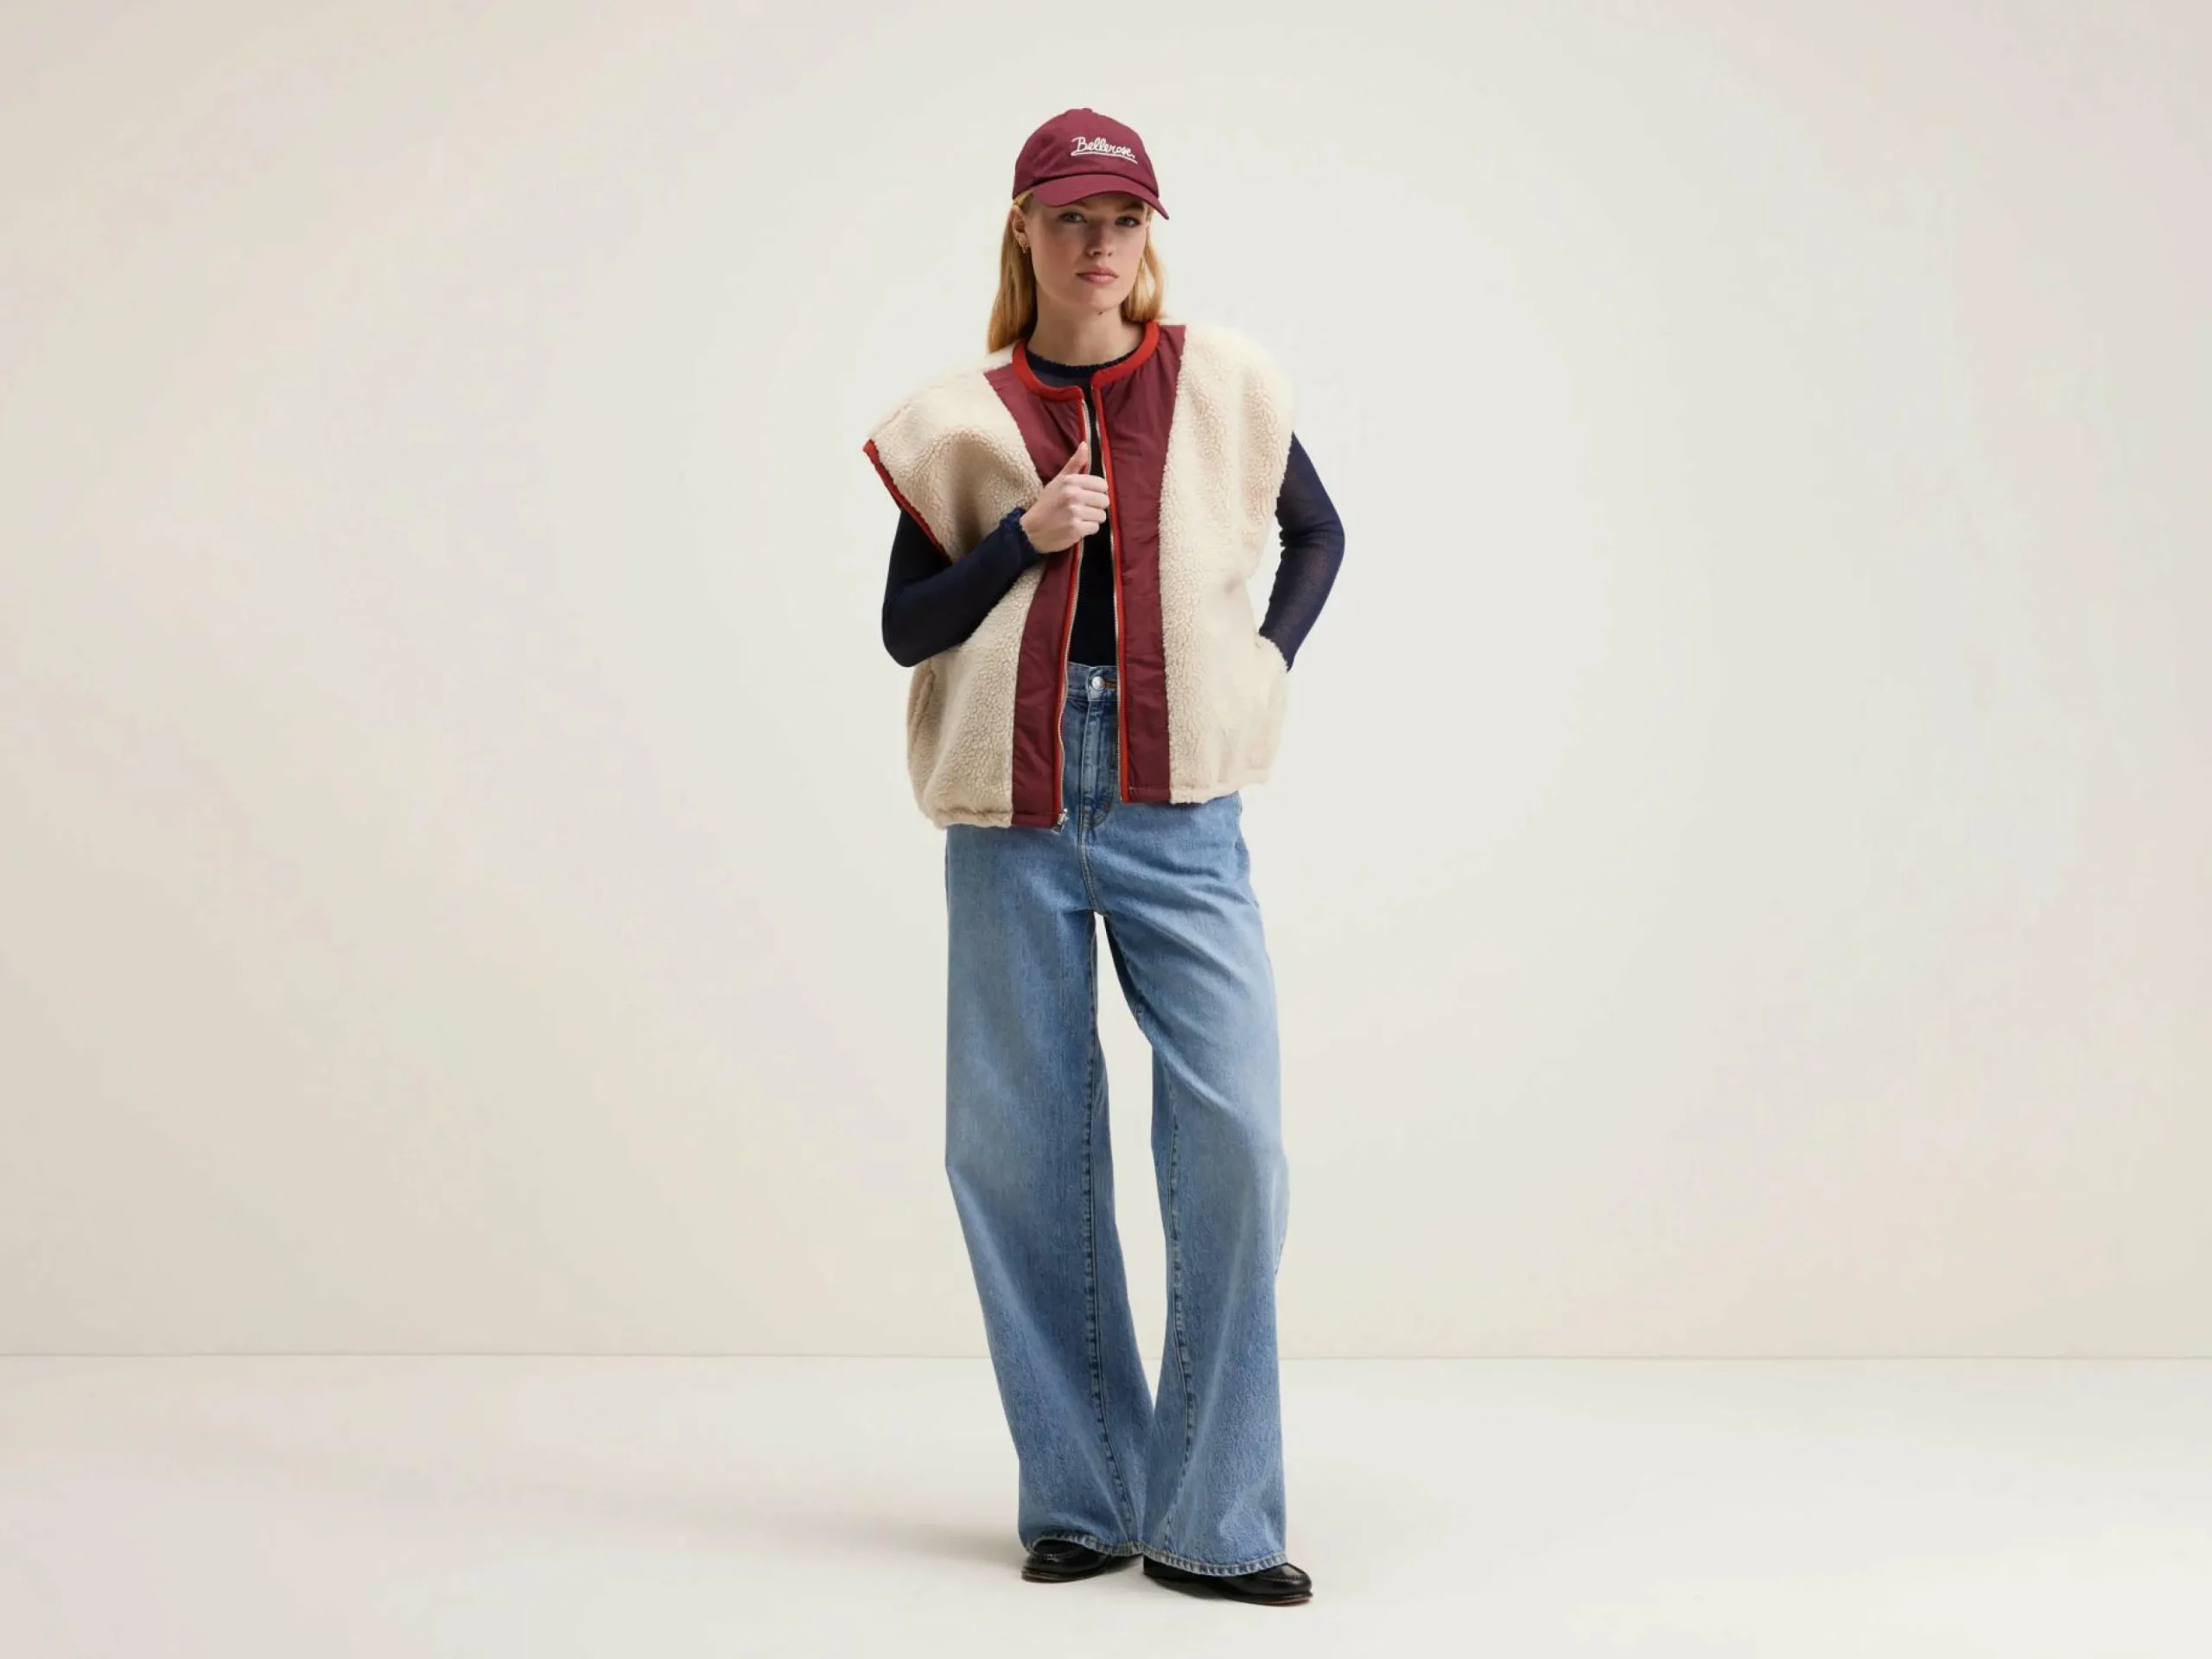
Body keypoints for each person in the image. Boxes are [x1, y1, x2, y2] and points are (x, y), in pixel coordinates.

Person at [861, 108, 1344, 1609]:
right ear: (1024, 229)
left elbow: (1319, 537)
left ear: (1149, 233)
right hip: (1009, 805)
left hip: (1177, 798)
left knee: (1235, 1137)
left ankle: (1215, 1517)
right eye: (1071, 217)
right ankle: (1082, 1499)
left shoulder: (1222, 383)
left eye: (1124, 217)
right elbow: (908, 630)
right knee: (1016, 1150)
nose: (1100, 243)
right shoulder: (962, 418)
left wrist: (1260, 664)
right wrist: (1020, 536)